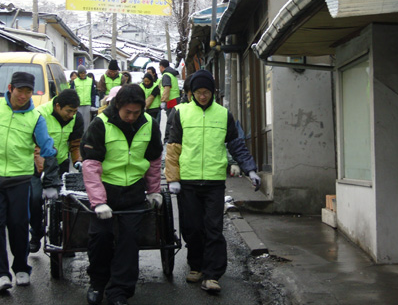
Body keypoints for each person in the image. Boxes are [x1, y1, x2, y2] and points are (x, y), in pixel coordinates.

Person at [0, 72, 60, 292]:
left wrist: (51, 180)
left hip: (19, 180)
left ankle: (21, 267)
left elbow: (47, 148)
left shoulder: (35, 118)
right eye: (19, 90)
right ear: (10, 88)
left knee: (17, 225)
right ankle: (0, 275)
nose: (23, 95)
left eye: (28, 91)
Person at [165, 70, 261, 293]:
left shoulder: (223, 114)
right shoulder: (180, 113)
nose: (202, 96)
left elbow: (236, 145)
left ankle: (212, 274)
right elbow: (172, 149)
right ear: (191, 93)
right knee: (192, 228)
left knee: (214, 228)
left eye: (206, 92)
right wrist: (173, 178)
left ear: (213, 92)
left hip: (214, 181)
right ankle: (196, 266)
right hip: (188, 181)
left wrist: (251, 169)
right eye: (198, 92)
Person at [81, 84, 163, 305]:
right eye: (128, 112)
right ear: (117, 105)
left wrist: (154, 191)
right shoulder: (100, 125)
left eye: (137, 112)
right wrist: (98, 202)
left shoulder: (149, 125)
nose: (132, 117)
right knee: (100, 238)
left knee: (129, 241)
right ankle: (98, 283)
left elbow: (154, 162)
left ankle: (120, 292)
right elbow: (90, 166)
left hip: (133, 191)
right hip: (106, 189)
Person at [29, 89, 84, 253]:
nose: (71, 115)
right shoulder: (39, 115)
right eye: (69, 111)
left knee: (63, 201)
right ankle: (36, 233)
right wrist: (43, 171)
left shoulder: (76, 118)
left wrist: (78, 161)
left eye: (74, 111)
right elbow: (36, 147)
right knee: (35, 198)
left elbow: (75, 144)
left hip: (60, 163)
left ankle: (63, 237)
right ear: (57, 106)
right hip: (36, 165)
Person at [158, 59, 180, 142]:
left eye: (159, 67)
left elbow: (166, 89)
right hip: (175, 99)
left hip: (171, 100)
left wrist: (163, 101)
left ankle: (168, 139)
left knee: (170, 121)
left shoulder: (166, 75)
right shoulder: (172, 74)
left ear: (162, 67)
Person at [71, 65, 97, 131]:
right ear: (78, 74)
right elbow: (73, 93)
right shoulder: (75, 82)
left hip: (87, 104)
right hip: (78, 105)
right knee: (78, 121)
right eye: (81, 73)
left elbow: (93, 93)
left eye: (84, 73)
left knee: (87, 123)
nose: (83, 74)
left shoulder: (90, 81)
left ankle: (86, 137)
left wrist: (93, 104)